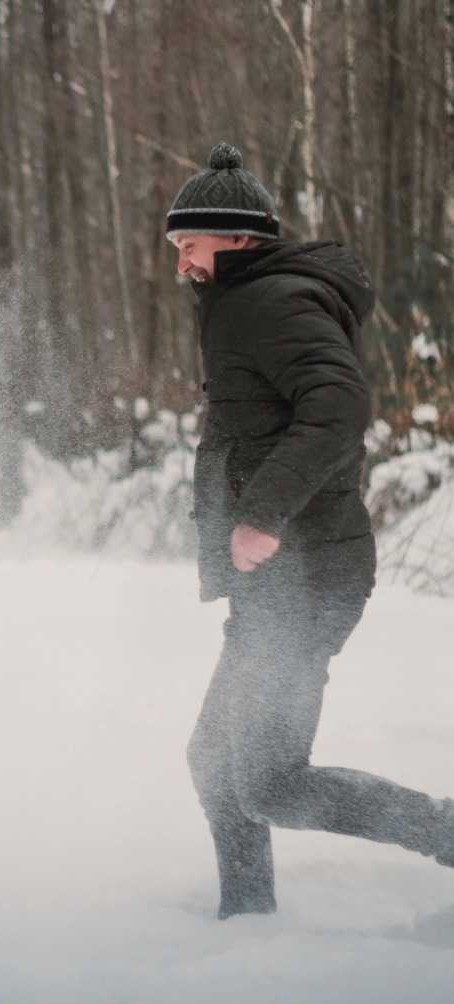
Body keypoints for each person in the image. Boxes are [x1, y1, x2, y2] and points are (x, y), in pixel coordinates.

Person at [170, 143, 454, 919]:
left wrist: (260, 515)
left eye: (187, 244)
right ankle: (246, 920)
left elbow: (336, 406)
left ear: (235, 239)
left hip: (306, 578)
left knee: (267, 782)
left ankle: (446, 832)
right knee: (213, 761)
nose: (181, 262)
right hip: (281, 583)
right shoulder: (248, 303)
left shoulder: (270, 302)